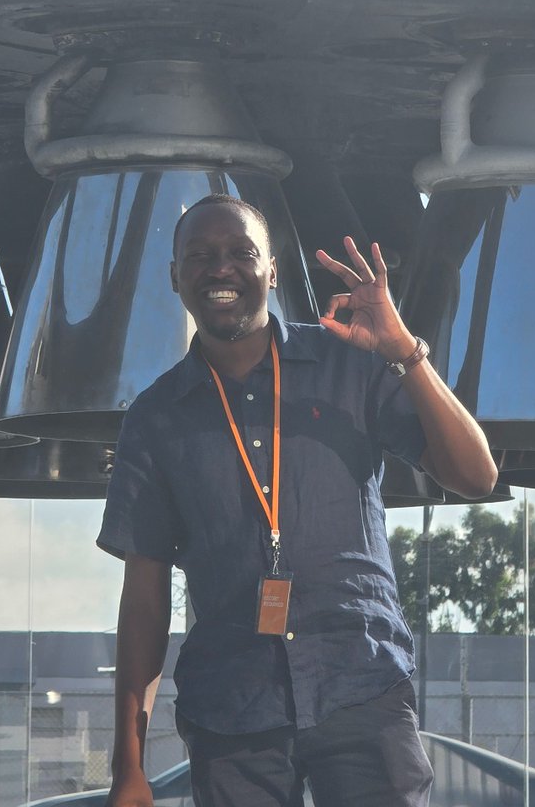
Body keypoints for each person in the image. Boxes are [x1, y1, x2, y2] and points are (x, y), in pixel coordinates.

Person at [98, 193, 498, 807]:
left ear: (272, 270)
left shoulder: (351, 361)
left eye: (242, 252)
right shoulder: (155, 419)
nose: (221, 268)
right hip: (232, 712)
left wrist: (404, 351)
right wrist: (129, 767)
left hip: (361, 687)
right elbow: (144, 600)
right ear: (176, 276)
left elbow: (476, 477)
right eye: (200, 255)